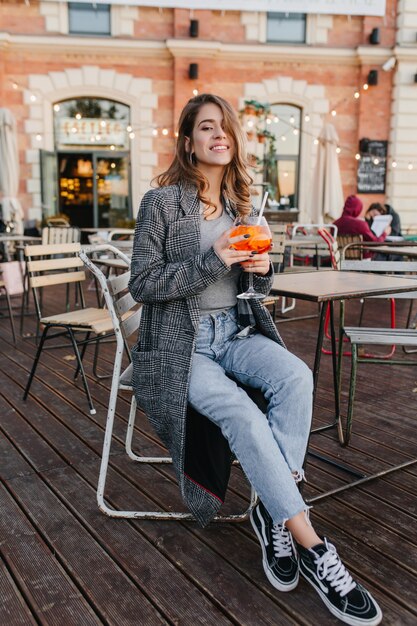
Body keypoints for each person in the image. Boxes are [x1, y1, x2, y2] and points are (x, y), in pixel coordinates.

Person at [129, 93, 382, 626]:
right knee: (243, 416)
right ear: (188, 141)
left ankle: (270, 508)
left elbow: (254, 285)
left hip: (235, 331)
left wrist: (261, 266)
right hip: (183, 344)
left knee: (296, 376)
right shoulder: (163, 204)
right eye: (205, 127)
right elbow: (144, 284)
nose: (218, 135)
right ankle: (310, 543)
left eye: (225, 128)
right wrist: (213, 258)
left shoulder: (245, 206)